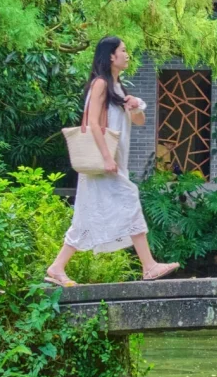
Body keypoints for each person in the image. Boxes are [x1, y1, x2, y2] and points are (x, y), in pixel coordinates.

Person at [45, 36, 178, 286]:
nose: (127, 55)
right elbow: (93, 123)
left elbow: (139, 122)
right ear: (110, 56)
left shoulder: (118, 88)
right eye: (123, 51)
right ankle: (149, 266)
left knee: (85, 217)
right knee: (130, 199)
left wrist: (136, 106)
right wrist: (107, 158)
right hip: (104, 163)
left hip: (113, 163)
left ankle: (57, 267)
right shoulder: (100, 85)